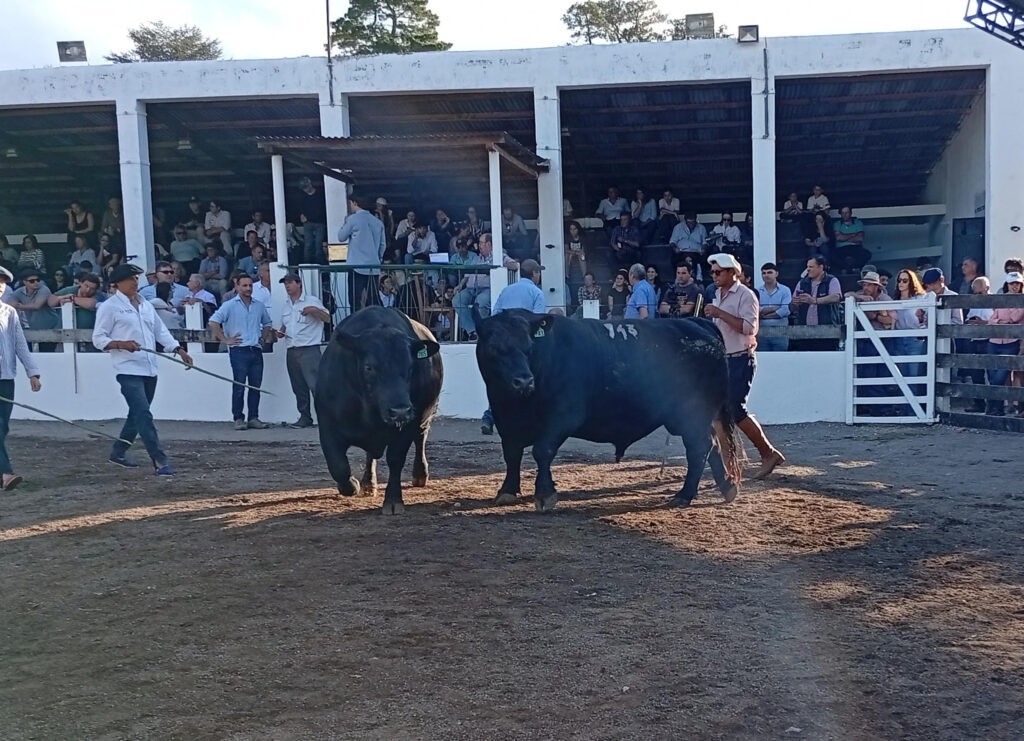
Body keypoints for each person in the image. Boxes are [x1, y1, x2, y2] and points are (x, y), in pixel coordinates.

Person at [93, 263, 193, 473]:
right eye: (131, 278)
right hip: (127, 369)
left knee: (138, 415)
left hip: (149, 368)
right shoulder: (109, 307)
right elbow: (99, 339)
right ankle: (160, 460)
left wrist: (178, 348)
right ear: (118, 283)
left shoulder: (146, 304)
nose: (135, 282)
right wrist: (122, 344)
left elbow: (160, 331)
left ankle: (118, 452)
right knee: (144, 414)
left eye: (137, 278)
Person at [704, 252, 785, 479]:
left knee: (734, 409)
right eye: (713, 272)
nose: (714, 276)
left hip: (741, 357)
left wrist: (720, 312)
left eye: (718, 272)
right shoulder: (719, 294)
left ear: (732, 272)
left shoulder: (746, 296)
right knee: (722, 412)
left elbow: (750, 328)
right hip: (725, 358)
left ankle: (766, 453)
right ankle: (734, 466)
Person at [482, 259, 547, 434]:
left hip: (504, 344)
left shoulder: (507, 290)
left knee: (500, 380)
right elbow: (539, 319)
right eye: (538, 272)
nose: (539, 275)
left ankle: (489, 416)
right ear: (533, 273)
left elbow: (495, 315)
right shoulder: (536, 293)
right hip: (523, 343)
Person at [209, 275, 272, 430]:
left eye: (250, 285)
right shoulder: (229, 305)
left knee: (255, 386)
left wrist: (262, 339)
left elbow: (267, 323)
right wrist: (225, 339)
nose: (248, 289)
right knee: (239, 385)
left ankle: (253, 417)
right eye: (244, 286)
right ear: (236, 286)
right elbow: (213, 322)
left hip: (255, 349)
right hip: (239, 350)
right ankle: (238, 417)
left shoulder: (258, 305)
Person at [0, 266, 42, 491]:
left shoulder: (9, 312)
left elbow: (19, 344)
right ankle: (6, 473)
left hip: (6, 377)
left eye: (3, 282)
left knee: (3, 427)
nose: (0, 286)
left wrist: (32, 372)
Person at [277, 272, 331, 428]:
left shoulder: (311, 301)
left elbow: (327, 318)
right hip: (292, 349)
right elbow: (286, 325)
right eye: (285, 283)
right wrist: (281, 332)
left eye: (290, 282)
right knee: (298, 387)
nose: (287, 286)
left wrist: (314, 310)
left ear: (299, 283)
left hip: (309, 349)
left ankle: (325, 418)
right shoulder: (287, 305)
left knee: (316, 386)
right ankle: (305, 417)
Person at [337, 195, 387, 310]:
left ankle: (357, 325)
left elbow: (341, 237)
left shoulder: (353, 219)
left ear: (355, 203)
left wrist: (345, 222)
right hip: (373, 265)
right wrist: (378, 258)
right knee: (373, 298)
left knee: (355, 299)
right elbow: (382, 245)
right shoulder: (378, 222)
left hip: (356, 265)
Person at [984, 272, 1024, 416]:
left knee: (1001, 375)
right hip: (994, 341)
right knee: (992, 375)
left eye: (1017, 284)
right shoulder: (1000, 299)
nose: (1015, 286)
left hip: (1011, 342)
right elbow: (991, 320)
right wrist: (1001, 321)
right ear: (1007, 284)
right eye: (1012, 283)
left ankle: (993, 406)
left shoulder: (1021, 300)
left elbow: (1015, 317)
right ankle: (997, 408)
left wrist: (1000, 320)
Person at [890, 268, 929, 416]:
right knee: (902, 376)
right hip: (899, 339)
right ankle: (906, 411)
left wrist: (923, 329)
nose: (901, 283)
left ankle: (915, 412)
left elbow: (926, 319)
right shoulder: (896, 301)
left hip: (914, 338)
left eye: (905, 280)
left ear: (911, 282)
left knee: (914, 376)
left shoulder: (921, 299)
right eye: (899, 280)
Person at [791, 255, 842, 351]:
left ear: (820, 267)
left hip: (827, 331)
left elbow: (836, 297)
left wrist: (814, 300)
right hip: (805, 332)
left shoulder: (831, 280)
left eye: (811, 267)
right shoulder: (802, 283)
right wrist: (794, 302)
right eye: (807, 267)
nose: (808, 269)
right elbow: (793, 306)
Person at [963, 276, 993, 411]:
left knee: (993, 375)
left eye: (979, 291)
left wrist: (984, 323)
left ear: (986, 288)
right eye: (974, 291)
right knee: (976, 374)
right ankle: (979, 404)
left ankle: (994, 406)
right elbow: (969, 317)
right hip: (975, 340)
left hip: (990, 340)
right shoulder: (974, 302)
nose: (976, 294)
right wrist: (972, 321)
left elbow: (1000, 321)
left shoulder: (995, 301)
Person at [756, 263, 792, 352]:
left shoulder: (785, 290)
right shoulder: (757, 291)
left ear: (776, 274)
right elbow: (756, 310)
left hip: (780, 332)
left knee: (781, 361)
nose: (766, 275)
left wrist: (764, 315)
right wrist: (775, 308)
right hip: (762, 333)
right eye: (763, 273)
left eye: (769, 272)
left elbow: (785, 310)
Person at [297, 177, 327, 265]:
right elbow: (299, 208)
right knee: (308, 245)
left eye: (306, 187)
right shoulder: (302, 196)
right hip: (308, 223)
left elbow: (322, 210)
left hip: (319, 223)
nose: (305, 189)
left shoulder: (320, 194)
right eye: (303, 188)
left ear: (310, 183)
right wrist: (301, 214)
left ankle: (319, 265)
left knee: (318, 245)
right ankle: (307, 265)